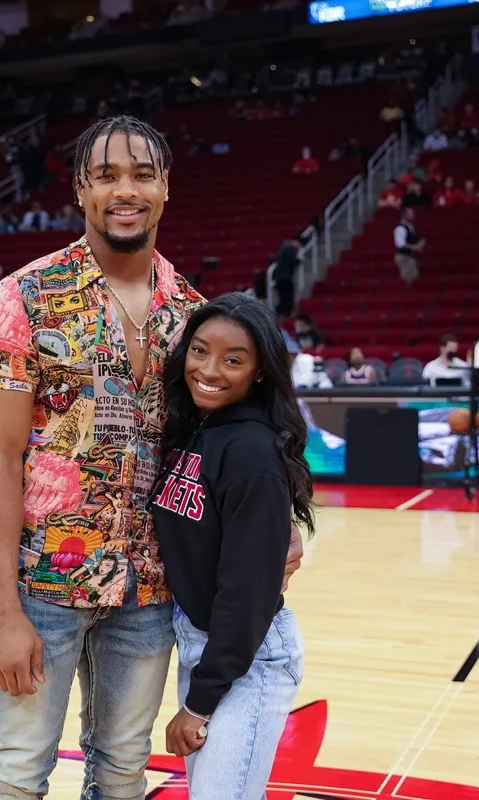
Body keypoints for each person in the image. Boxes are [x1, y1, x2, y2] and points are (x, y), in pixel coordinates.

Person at [0, 115, 304, 800]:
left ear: (165, 188)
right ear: (81, 190)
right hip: (44, 589)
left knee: (122, 771)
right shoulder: (22, 301)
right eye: (107, 175)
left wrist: (279, 519)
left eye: (143, 174)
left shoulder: (195, 314)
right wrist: (3, 611)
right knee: (13, 771)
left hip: (152, 591)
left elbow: (232, 443)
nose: (126, 189)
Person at [148, 292, 314, 797]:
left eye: (233, 360)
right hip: (206, 644)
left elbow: (246, 593)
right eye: (200, 350)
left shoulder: (252, 453)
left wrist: (199, 702)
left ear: (260, 371)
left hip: (247, 655)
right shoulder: (197, 430)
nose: (210, 370)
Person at [268, 240, 300, 317]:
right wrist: (299, 261)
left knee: (282, 299)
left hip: (280, 279)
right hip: (285, 278)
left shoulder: (283, 250)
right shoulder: (289, 248)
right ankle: (284, 314)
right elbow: (293, 260)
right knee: (286, 299)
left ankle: (280, 315)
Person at [393, 208, 424, 287]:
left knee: (414, 277)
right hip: (404, 257)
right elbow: (401, 244)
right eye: (411, 214)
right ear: (405, 215)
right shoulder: (400, 228)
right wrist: (415, 247)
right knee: (408, 279)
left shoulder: (410, 227)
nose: (413, 216)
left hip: (410, 256)